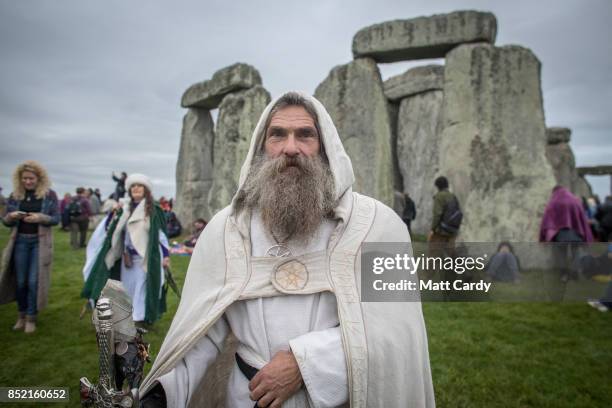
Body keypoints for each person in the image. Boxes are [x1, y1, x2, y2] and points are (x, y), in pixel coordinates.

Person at [138, 92, 434, 407]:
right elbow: (202, 333)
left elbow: (394, 331)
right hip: (246, 397)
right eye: (277, 135)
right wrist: (162, 393)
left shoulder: (376, 225)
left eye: (305, 135)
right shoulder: (226, 230)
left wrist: (305, 363)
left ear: (325, 146)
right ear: (261, 147)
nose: (290, 147)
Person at [82, 174, 170, 324]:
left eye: (139, 186)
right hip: (126, 258)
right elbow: (110, 227)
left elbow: (161, 235)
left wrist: (166, 255)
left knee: (141, 288)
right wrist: (114, 213)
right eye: (133, 186)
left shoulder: (153, 210)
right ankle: (128, 316)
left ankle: (139, 318)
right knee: (127, 288)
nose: (136, 188)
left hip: (145, 258)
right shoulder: (124, 209)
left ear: (146, 190)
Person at [0, 161, 59, 333]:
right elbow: (5, 221)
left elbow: (56, 218)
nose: (27, 181)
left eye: (31, 178)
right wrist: (11, 216)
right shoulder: (15, 195)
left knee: (34, 281)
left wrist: (41, 217)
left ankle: (31, 317)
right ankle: (21, 315)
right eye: (24, 178)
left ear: (39, 178)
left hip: (39, 243)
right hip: (19, 242)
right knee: (21, 281)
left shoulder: (49, 195)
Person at [539, 186, 593, 282]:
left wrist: (543, 235)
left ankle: (564, 275)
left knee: (561, 255)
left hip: (560, 234)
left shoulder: (554, 202)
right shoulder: (575, 201)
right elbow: (582, 218)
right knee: (576, 254)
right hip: (576, 233)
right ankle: (575, 274)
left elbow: (547, 220)